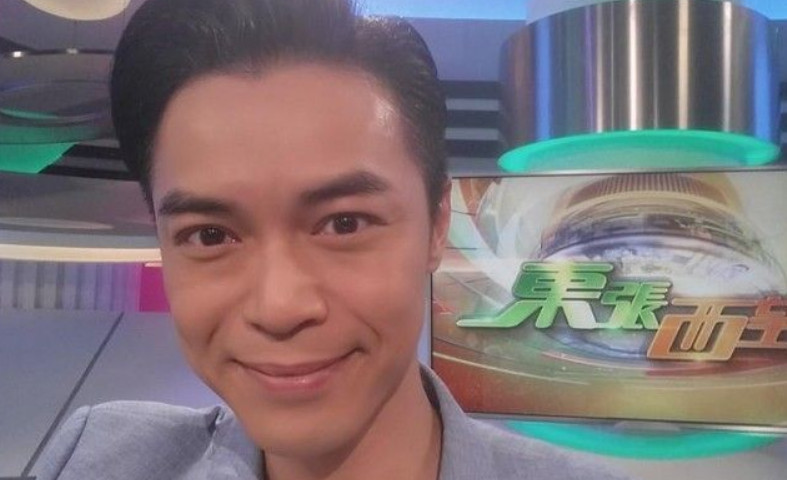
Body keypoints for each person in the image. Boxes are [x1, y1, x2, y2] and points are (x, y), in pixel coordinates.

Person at [37, 0, 633, 479]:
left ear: (437, 223)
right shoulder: (102, 456)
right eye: (210, 234)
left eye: (344, 223)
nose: (280, 307)